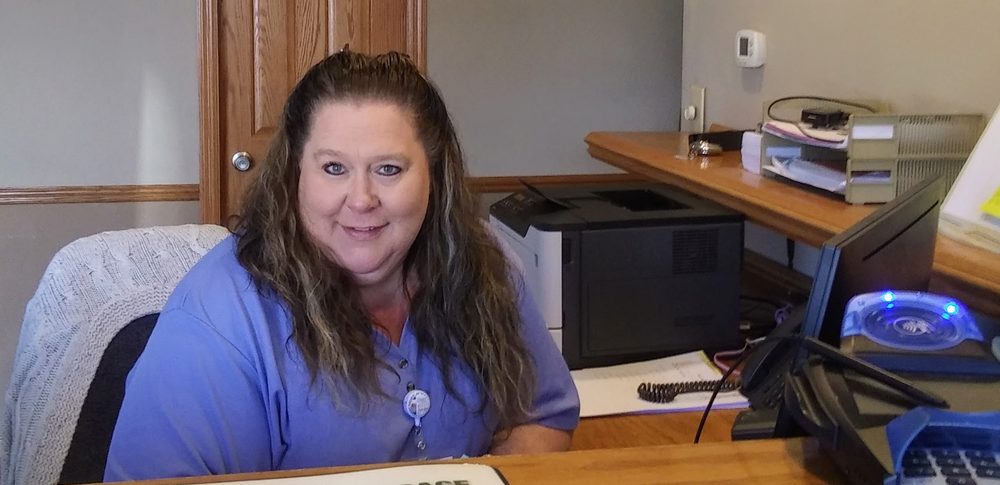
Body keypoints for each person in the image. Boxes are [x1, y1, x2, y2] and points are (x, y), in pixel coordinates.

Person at [104, 50, 579, 480]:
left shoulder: (485, 263)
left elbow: (542, 416)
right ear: (295, 174)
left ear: (435, 176)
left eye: (389, 169)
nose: (361, 199)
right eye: (334, 168)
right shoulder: (220, 319)